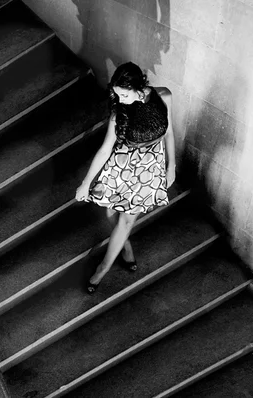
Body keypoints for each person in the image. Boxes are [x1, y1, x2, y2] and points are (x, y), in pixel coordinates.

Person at [75, 62, 176, 294]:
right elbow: (105, 149)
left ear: (139, 87)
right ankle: (124, 244)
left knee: (126, 220)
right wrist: (85, 183)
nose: (120, 99)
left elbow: (169, 131)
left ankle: (102, 269)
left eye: (124, 94)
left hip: (149, 167)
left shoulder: (163, 96)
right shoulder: (118, 112)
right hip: (123, 163)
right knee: (111, 212)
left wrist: (172, 165)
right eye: (117, 94)